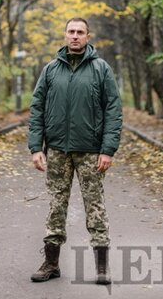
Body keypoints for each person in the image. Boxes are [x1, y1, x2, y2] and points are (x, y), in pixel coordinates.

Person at [27, 17, 123, 285]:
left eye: (80, 32)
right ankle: (51, 264)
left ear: (88, 37)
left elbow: (113, 110)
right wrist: (36, 147)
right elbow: (37, 109)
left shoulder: (101, 69)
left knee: (95, 207)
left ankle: (102, 267)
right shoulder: (50, 71)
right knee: (56, 207)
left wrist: (108, 150)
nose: (75, 36)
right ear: (64, 35)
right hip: (57, 150)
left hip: (91, 152)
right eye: (71, 31)